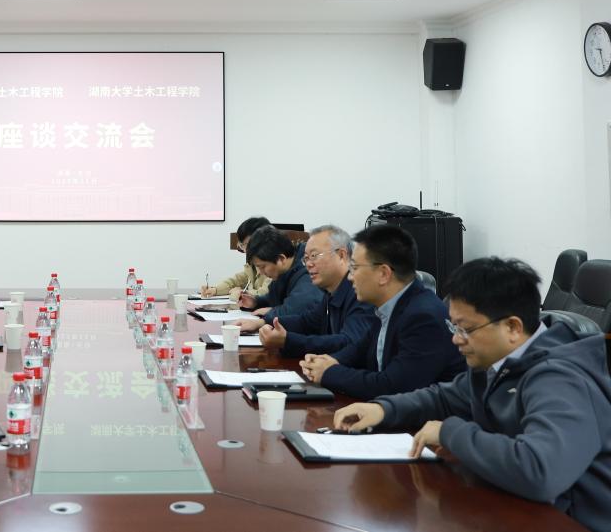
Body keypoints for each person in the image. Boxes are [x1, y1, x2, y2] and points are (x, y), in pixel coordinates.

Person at [334, 257, 611, 532]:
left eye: (466, 329)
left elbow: (541, 471)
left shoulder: (562, 379)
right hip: (518, 508)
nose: (456, 338)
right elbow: (443, 398)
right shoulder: (496, 363)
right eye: (454, 327)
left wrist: (449, 432)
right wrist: (383, 409)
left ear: (512, 327)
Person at [299, 225, 464, 398]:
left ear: (384, 273)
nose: (350, 276)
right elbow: (359, 350)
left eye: (354, 268)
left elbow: (392, 386)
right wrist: (330, 361)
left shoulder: (423, 317)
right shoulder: (389, 305)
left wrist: (329, 373)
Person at [257, 225, 374, 355]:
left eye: (314, 255)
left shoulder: (361, 293)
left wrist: (287, 341)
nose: (308, 264)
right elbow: (307, 322)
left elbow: (348, 343)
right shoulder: (331, 292)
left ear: (341, 255)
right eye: (306, 258)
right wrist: (264, 323)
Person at [233, 225, 322, 333]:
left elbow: (294, 309)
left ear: (281, 259)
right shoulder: (285, 271)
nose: (260, 272)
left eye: (262, 266)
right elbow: (276, 298)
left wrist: (261, 322)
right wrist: (256, 302)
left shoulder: (308, 270)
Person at [199, 216, 272, 299]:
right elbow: (235, 281)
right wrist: (215, 290)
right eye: (242, 245)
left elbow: (265, 295)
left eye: (246, 245)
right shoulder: (252, 266)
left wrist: (239, 294)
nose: (245, 250)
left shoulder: (273, 264)